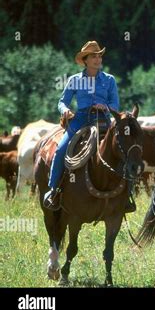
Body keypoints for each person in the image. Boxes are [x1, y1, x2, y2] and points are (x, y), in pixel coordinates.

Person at [43, 41, 125, 210]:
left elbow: (115, 104)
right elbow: (62, 102)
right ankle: (53, 190)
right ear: (85, 60)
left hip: (103, 120)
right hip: (80, 119)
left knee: (124, 148)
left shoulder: (110, 80)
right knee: (61, 149)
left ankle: (127, 195)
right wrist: (65, 110)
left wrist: (107, 107)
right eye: (93, 56)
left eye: (99, 56)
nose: (97, 59)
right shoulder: (74, 80)